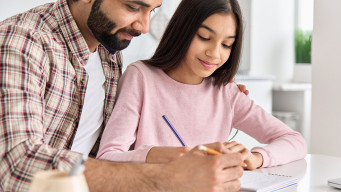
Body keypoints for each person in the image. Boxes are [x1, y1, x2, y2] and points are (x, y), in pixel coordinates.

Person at [0, 0, 249, 191]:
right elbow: (18, 166)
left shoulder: (108, 52)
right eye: (133, 6)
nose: (144, 26)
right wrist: (168, 178)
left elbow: (110, 150)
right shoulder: (20, 43)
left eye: (151, 10)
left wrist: (206, 88)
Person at [97, 0, 307, 171]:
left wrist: (257, 157)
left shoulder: (227, 93)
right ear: (183, 31)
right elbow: (107, 158)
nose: (214, 53)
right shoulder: (141, 78)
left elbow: (295, 141)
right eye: (204, 37)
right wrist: (157, 154)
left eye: (226, 45)